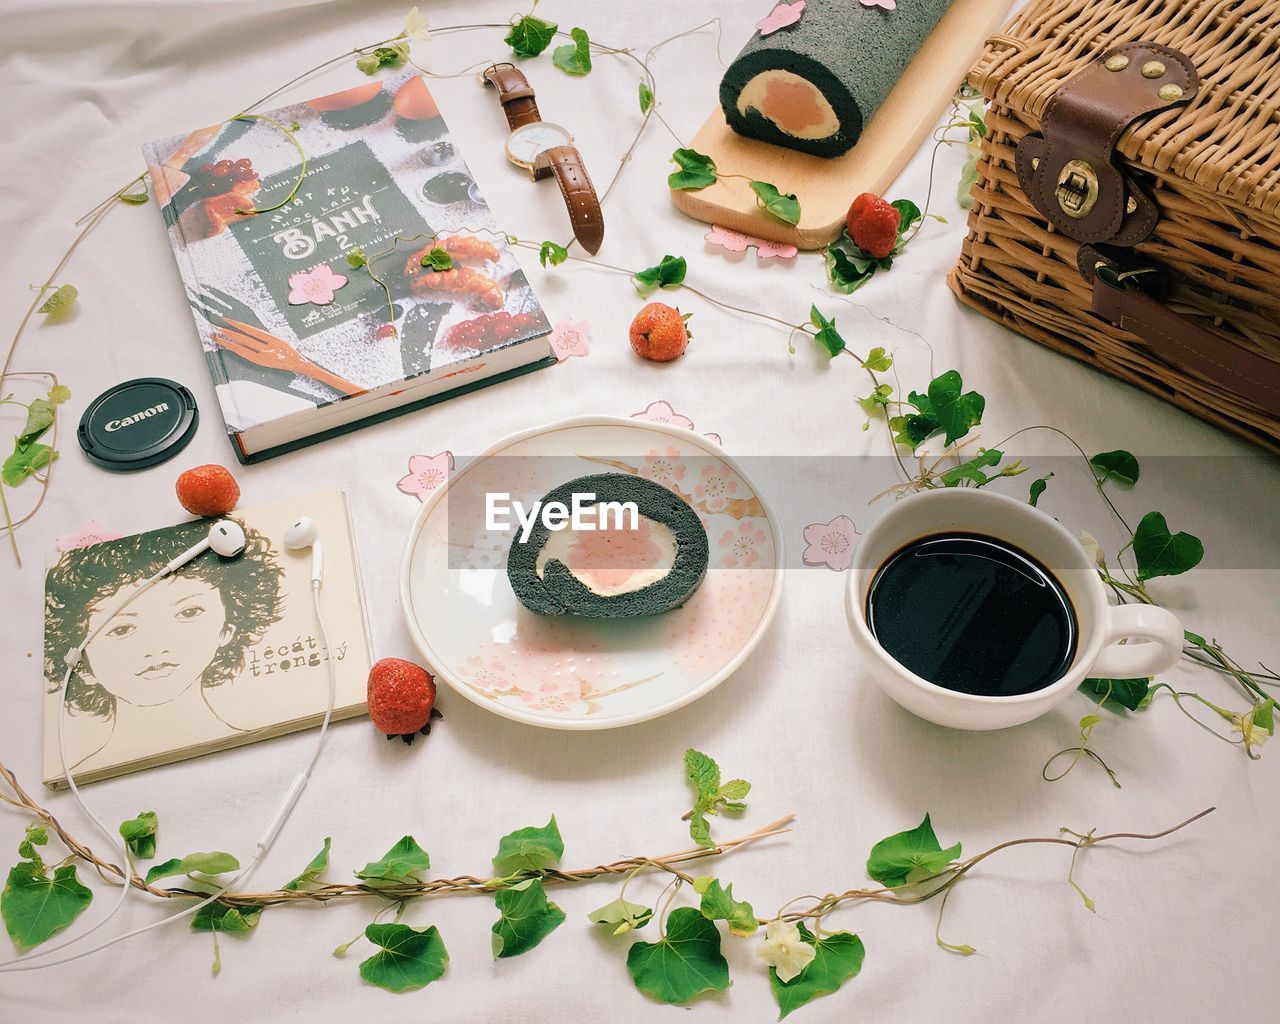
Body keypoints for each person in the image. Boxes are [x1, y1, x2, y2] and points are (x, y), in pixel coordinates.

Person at [43, 519, 284, 770]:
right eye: (122, 629)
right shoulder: (71, 772)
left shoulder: (270, 750)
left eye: (188, 612)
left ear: (226, 630)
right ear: (81, 664)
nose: (156, 647)